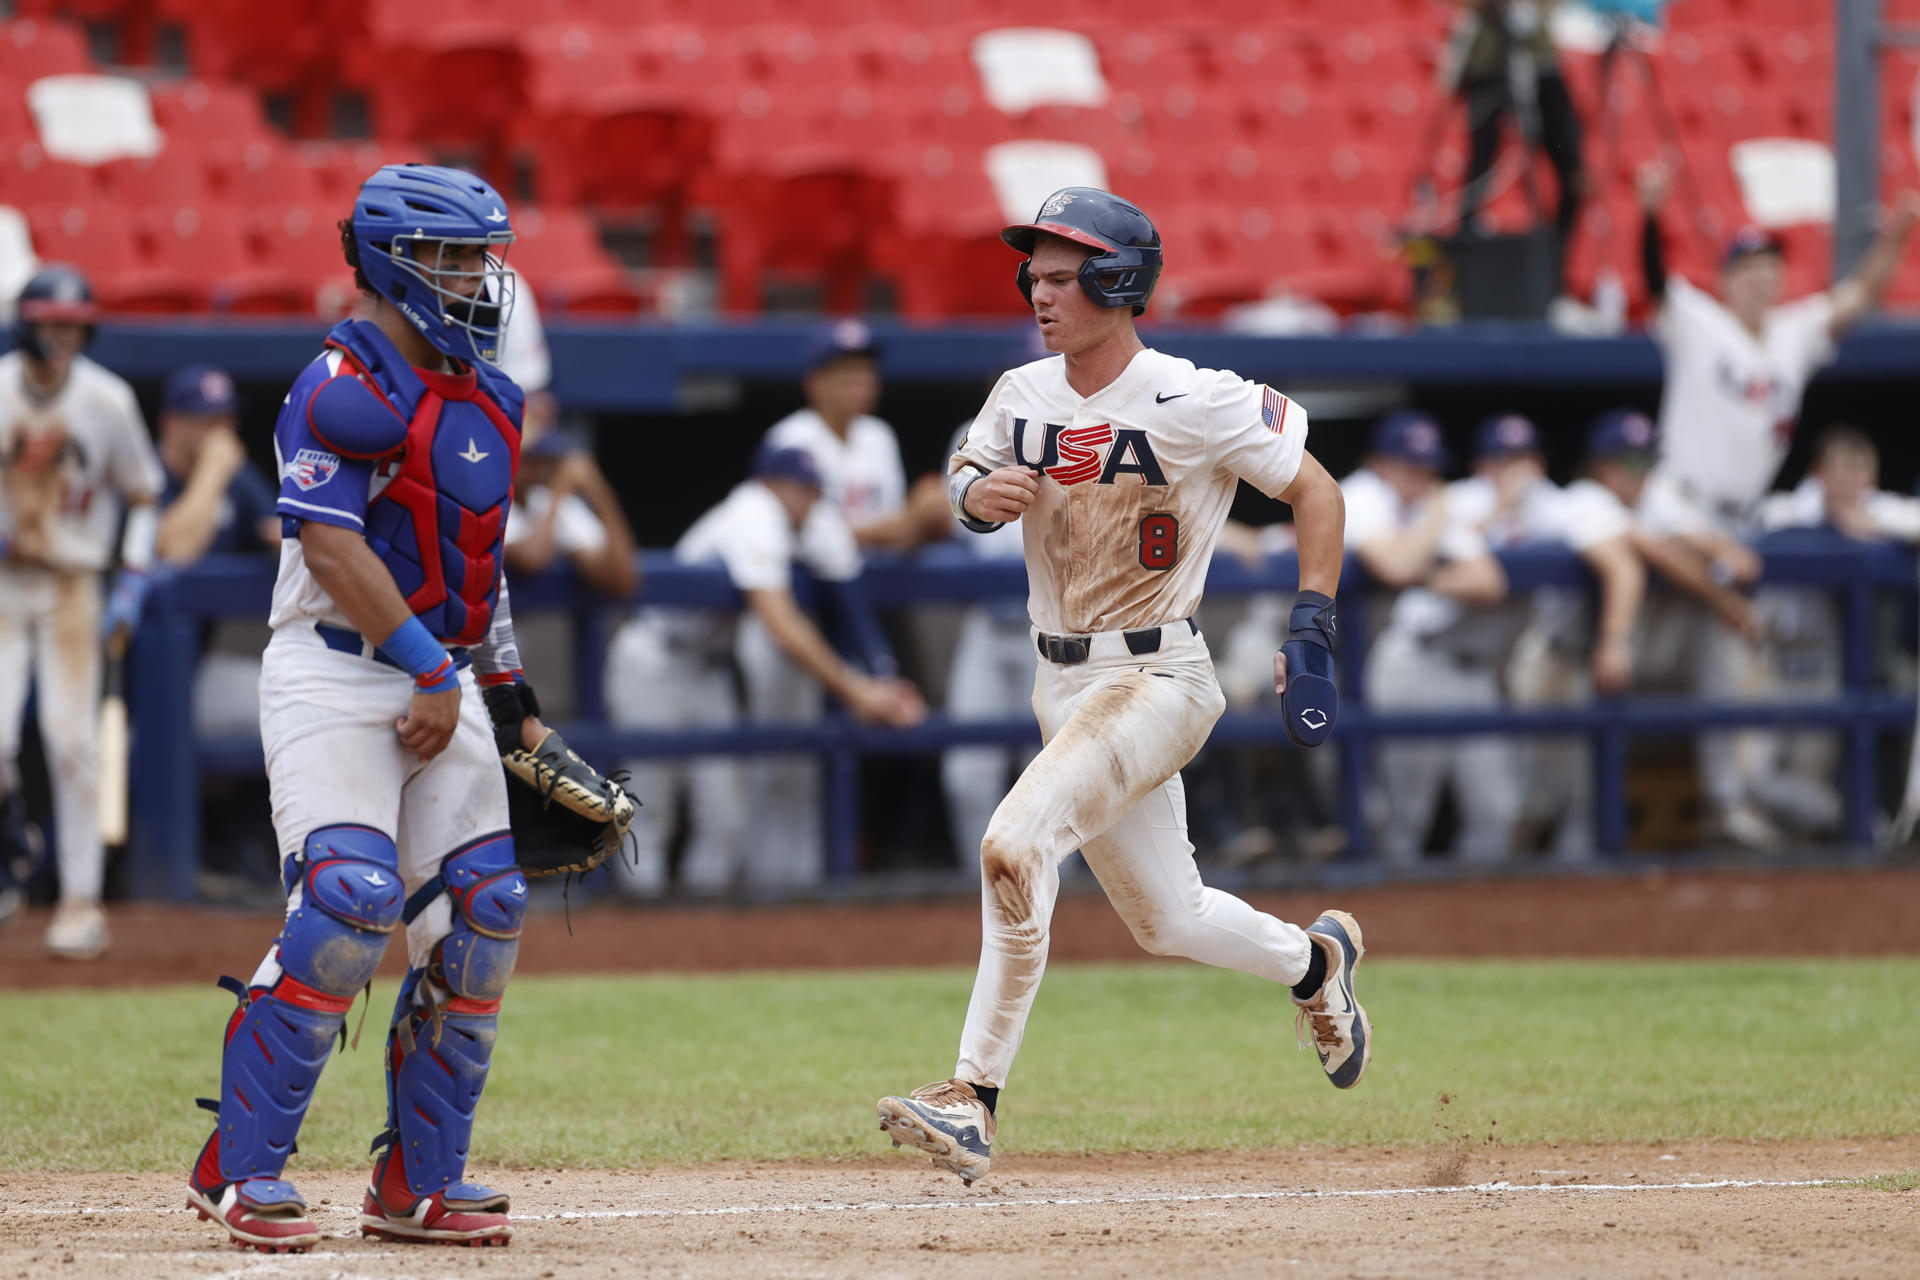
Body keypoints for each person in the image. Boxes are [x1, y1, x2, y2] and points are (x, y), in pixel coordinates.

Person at [875, 187, 1365, 1185]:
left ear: (1119, 281)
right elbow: (953, 484)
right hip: (1062, 681)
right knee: (1168, 919)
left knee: (1014, 845)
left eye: (1063, 276)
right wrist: (974, 494)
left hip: (1157, 674)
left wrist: (1311, 625)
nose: (1040, 293)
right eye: (1037, 276)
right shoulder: (1020, 393)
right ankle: (1316, 964)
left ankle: (972, 1096)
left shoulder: (1199, 395)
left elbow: (1317, 488)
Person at [187, 164, 542, 1253]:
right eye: (456, 257)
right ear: (398, 262)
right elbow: (334, 546)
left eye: (485, 254)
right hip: (335, 671)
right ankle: (238, 1168)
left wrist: (509, 697)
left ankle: (415, 1184)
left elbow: (475, 564)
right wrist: (432, 669)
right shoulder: (341, 379)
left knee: (483, 911)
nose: (480, 276)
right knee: (350, 903)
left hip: (444, 673)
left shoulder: (487, 391)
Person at [1635, 166, 1918, 845]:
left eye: (1769, 266)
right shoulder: (1699, 320)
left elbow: (1855, 298)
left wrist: (1897, 238)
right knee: (1693, 636)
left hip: (1741, 519)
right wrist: (1651, 216)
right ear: (1727, 278)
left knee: (1728, 666)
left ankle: (1734, 806)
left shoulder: (1793, 332)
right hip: (1682, 507)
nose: (1760, 278)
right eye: (1748, 267)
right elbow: (1651, 278)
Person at [606, 443, 925, 896]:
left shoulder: (809, 521)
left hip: (708, 666)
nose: (810, 498)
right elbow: (780, 623)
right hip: (653, 659)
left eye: (816, 489)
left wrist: (883, 677)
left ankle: (697, 940)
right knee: (650, 810)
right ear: (770, 484)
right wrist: (855, 690)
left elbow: (849, 599)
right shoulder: (753, 511)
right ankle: (633, 941)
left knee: (726, 818)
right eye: (801, 488)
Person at [0, 264, 162, 959]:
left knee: (73, 744)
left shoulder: (108, 399)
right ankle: (14, 852)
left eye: (72, 323)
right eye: (50, 323)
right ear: (25, 323)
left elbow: (145, 494)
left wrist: (130, 581)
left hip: (73, 582)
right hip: (4, 583)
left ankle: (79, 900)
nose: (62, 335)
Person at [1753, 427, 1920, 838]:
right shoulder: (1784, 509)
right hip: (1763, 661)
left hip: (1821, 664)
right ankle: (1859, 825)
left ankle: (1849, 831)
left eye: (1864, 471)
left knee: (1812, 780)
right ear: (1818, 473)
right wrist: (1835, 527)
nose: (1855, 481)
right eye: (1844, 469)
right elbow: (1767, 536)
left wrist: (1875, 525)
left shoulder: (1879, 510)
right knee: (1750, 781)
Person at [1505, 409, 1657, 858]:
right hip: (1549, 657)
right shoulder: (1577, 500)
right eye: (1631, 463)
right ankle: (1507, 883)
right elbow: (1626, 569)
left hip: (1584, 663)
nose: (1642, 474)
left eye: (1647, 462)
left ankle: (1580, 901)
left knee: (1587, 796)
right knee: (1534, 794)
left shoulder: (1645, 503)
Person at [154, 364, 282, 740]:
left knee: (298, 708)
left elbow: (284, 535)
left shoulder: (236, 478)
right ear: (172, 424)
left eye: (227, 420)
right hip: (129, 679)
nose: (221, 435)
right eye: (207, 421)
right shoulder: (143, 474)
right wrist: (212, 471)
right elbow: (174, 554)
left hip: (196, 667)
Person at [1441, 0, 1586, 286]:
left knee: (1574, 176)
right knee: (1480, 163)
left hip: (1541, 64)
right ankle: (1469, 259)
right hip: (1490, 62)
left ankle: (1554, 263)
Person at [761, 320, 915, 550]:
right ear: (814, 382)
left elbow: (895, 523)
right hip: (809, 575)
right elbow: (784, 533)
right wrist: (894, 529)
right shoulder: (789, 439)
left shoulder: (880, 435)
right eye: (848, 370)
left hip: (874, 567)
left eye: (867, 370)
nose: (862, 381)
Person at [503, 415, 639, 602]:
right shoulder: (489, 504)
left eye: (549, 459)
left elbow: (621, 581)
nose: (543, 469)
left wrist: (600, 492)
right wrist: (559, 490)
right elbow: (530, 560)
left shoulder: (552, 502)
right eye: (532, 459)